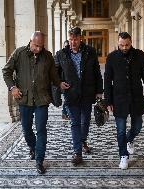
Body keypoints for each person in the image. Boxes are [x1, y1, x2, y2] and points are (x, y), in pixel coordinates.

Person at [2, 31, 66, 174]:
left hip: (42, 99)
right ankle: (33, 147)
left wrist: (59, 83)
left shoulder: (47, 55)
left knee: (41, 129)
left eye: (41, 46)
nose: (38, 49)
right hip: (24, 99)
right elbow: (6, 71)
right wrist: (12, 87)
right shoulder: (19, 53)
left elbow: (53, 75)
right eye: (36, 45)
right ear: (30, 41)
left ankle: (39, 159)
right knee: (26, 129)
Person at [104, 32, 144, 169]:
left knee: (137, 126)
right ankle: (123, 156)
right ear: (118, 43)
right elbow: (107, 81)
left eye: (127, 45)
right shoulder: (111, 57)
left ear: (131, 42)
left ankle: (130, 139)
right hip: (118, 99)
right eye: (121, 45)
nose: (124, 48)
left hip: (137, 98)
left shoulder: (139, 55)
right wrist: (108, 101)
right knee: (120, 130)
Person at [54, 27, 103, 166]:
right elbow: (54, 73)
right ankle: (78, 153)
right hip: (71, 94)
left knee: (85, 121)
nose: (72, 42)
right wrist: (59, 83)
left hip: (87, 93)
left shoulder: (90, 52)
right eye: (70, 39)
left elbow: (97, 72)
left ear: (80, 38)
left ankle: (82, 141)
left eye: (75, 39)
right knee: (75, 122)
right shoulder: (61, 54)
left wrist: (99, 90)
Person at [58, 40, 70, 120]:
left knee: (67, 98)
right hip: (64, 81)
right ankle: (65, 113)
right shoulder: (60, 56)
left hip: (70, 81)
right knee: (67, 98)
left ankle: (65, 113)